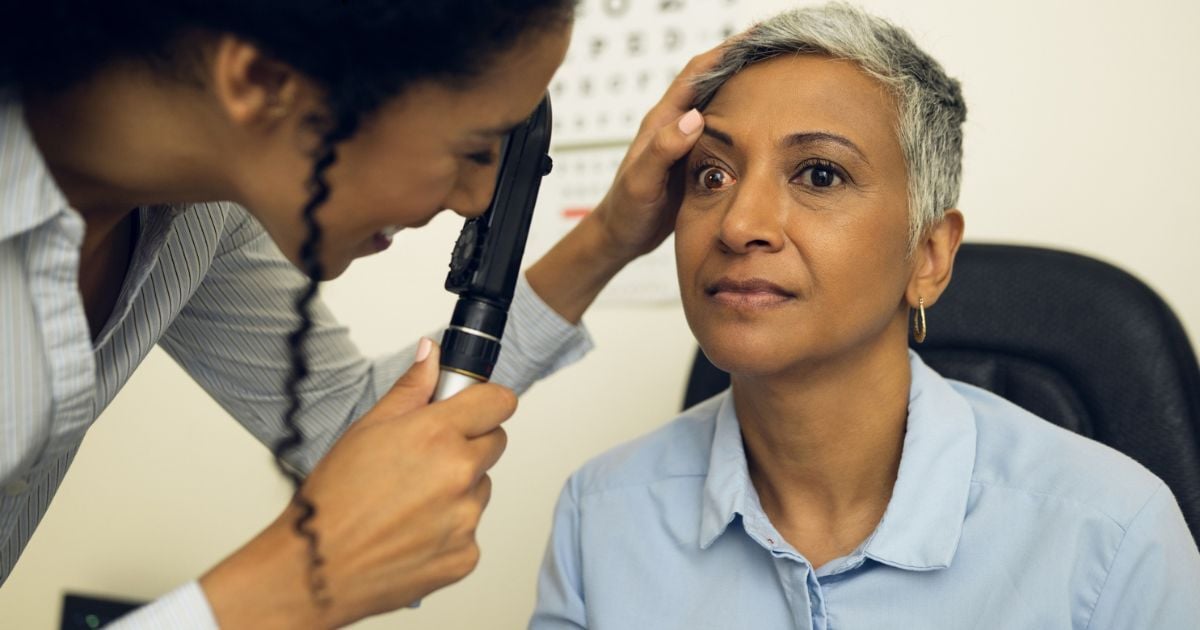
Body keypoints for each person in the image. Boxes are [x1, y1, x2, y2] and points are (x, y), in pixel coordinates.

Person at [0, 1, 721, 627]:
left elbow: (348, 425)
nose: (476, 201)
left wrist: (609, 236)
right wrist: (295, 584)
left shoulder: (199, 215)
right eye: (472, 149)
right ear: (263, 80)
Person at [530, 4, 1200, 629]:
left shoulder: (1112, 534)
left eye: (819, 175)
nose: (739, 225)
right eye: (712, 176)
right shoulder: (601, 516)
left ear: (930, 256)